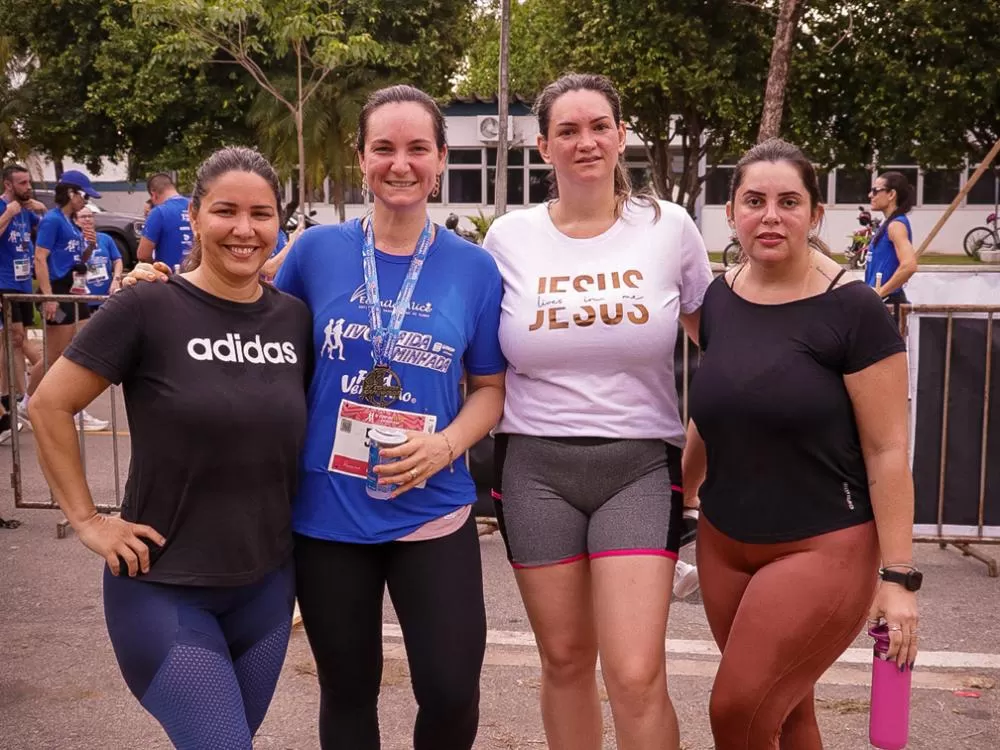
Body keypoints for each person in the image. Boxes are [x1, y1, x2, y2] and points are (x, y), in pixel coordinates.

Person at [125, 84, 505, 750]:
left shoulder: (474, 268)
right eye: (383, 147)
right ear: (360, 158)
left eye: (418, 148)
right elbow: (236, 298)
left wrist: (446, 445)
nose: (400, 163)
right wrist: (159, 291)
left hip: (432, 507)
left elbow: (490, 389)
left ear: (441, 159)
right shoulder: (316, 251)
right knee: (349, 689)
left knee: (450, 690)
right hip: (327, 516)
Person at [29, 146, 312, 749]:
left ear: (277, 225)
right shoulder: (148, 305)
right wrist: (87, 520)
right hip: (162, 588)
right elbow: (48, 405)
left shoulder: (294, 320)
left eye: (261, 214)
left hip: (265, 589)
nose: (244, 229)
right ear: (195, 218)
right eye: (226, 211)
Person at [484, 73, 712, 750]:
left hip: (638, 467)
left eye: (599, 127)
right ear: (542, 145)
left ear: (620, 135)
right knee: (564, 663)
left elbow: (731, 354)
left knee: (636, 673)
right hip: (535, 470)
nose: (586, 142)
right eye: (568, 130)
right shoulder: (507, 238)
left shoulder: (669, 227)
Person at [683, 138, 919, 750]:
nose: (771, 216)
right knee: (786, 714)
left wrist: (898, 579)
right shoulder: (718, 297)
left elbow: (889, 450)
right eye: (754, 201)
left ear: (815, 216)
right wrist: (680, 501)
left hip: (822, 549)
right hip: (724, 543)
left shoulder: (854, 310)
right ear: (732, 213)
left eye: (789, 202)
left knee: (737, 712)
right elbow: (715, 410)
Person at [25, 169, 108, 432]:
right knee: (55, 355)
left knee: (78, 350)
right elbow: (40, 258)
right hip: (58, 289)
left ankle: (73, 405)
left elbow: (76, 259)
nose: (86, 201)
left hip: (75, 289)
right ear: (71, 193)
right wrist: (49, 298)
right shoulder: (52, 220)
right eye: (84, 195)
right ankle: (27, 401)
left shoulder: (71, 222)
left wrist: (91, 247)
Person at [0, 164, 46, 440]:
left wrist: (39, 212)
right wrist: (8, 213)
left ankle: (21, 395)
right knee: (13, 338)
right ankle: (15, 400)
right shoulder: (6, 207)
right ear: (8, 184)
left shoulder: (26, 210)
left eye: (28, 182)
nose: (28, 187)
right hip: (4, 281)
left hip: (22, 281)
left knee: (20, 338)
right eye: (22, 183)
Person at [865, 171, 918, 317]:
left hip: (888, 303)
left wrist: (880, 293)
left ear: (891, 194)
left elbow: (909, 266)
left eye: (875, 191)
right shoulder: (888, 224)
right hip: (883, 302)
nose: (870, 195)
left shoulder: (896, 225)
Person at [137, 172, 193, 270]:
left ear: (153, 194)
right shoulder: (195, 207)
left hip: (171, 277)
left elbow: (143, 255)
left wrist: (155, 267)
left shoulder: (159, 212)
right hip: (198, 275)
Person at [76, 207, 123, 309]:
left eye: (90, 216)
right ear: (76, 221)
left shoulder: (105, 238)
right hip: (83, 294)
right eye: (83, 217)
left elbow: (117, 260)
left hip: (106, 294)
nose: (87, 219)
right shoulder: (74, 239)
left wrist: (116, 280)